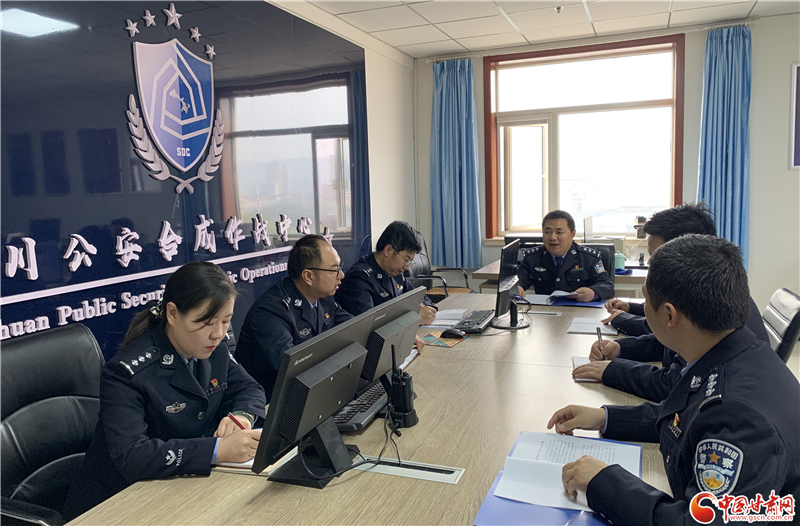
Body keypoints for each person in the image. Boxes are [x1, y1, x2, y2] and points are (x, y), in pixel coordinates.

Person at [548, 235, 799, 526]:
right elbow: (685, 417)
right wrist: (606, 417)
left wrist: (604, 482)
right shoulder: (733, 352)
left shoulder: (738, 417)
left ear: (669, 315)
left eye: (646, 299)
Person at [63, 262, 266, 520]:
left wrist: (242, 416)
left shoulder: (215, 349)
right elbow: (132, 455)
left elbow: (249, 388)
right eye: (206, 323)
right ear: (172, 313)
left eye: (226, 321)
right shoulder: (126, 373)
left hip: (185, 487)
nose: (218, 334)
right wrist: (218, 450)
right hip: (120, 502)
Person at [573, 203, 769, 400]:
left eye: (656, 259)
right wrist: (622, 348)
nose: (652, 269)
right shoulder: (710, 288)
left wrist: (613, 371)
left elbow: (675, 385)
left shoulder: (708, 304)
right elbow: (670, 346)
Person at [236, 234, 353, 400]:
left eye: (340, 268)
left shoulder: (324, 297)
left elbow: (354, 327)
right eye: (334, 270)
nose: (341, 275)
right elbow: (294, 370)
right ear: (308, 276)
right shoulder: (270, 312)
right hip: (272, 402)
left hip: (312, 392)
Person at [602, 202, 718, 336]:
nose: (653, 266)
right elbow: (662, 310)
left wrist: (622, 319)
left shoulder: (707, 291)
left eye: (657, 259)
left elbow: (663, 331)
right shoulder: (695, 276)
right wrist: (630, 308)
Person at [335, 221, 437, 350]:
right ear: (388, 250)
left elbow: (418, 296)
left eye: (410, 262)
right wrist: (413, 317)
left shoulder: (395, 272)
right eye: (406, 259)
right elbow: (369, 327)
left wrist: (424, 307)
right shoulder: (359, 278)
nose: (407, 267)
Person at [516, 210, 614, 302]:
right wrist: (517, 288)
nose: (553, 237)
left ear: (572, 234)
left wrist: (593, 293)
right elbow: (518, 280)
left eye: (559, 232)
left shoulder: (589, 258)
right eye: (547, 232)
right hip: (544, 311)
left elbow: (607, 286)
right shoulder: (532, 257)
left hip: (580, 310)